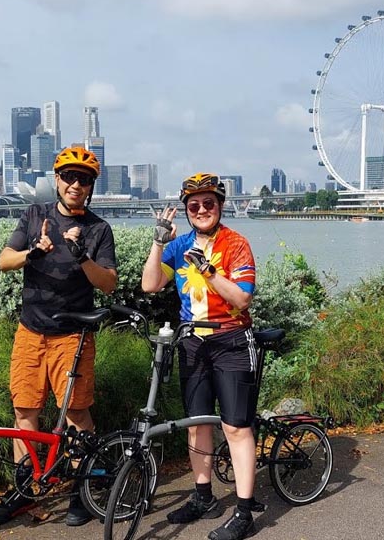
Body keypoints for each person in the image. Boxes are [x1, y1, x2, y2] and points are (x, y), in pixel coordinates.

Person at [0, 147, 117, 527]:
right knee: (24, 411)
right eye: (70, 177)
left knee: (76, 412)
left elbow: (108, 284)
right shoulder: (34, 215)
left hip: (72, 336)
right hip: (31, 330)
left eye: (85, 179)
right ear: (57, 179)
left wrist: (81, 256)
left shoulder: (98, 229)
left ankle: (83, 489)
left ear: (92, 186)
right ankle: (25, 491)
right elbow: (4, 260)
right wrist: (34, 252)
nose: (76, 184)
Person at [141, 173, 260, 540]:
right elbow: (149, 284)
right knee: (197, 423)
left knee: (236, 427)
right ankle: (203, 496)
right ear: (187, 210)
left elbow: (242, 299)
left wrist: (208, 270)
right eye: (194, 205)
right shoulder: (179, 246)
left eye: (209, 203)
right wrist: (159, 244)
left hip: (231, 340)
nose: (202, 209)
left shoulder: (236, 244)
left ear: (220, 206)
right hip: (193, 342)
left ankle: (243, 512)